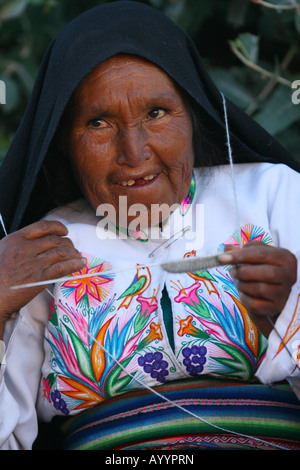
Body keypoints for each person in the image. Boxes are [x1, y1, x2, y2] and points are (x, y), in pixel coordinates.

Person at [0, 1, 300, 451]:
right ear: (62, 141)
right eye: (98, 123)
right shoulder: (36, 252)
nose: (134, 152)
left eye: (156, 113)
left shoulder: (275, 197)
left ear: (194, 111)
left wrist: (289, 312)